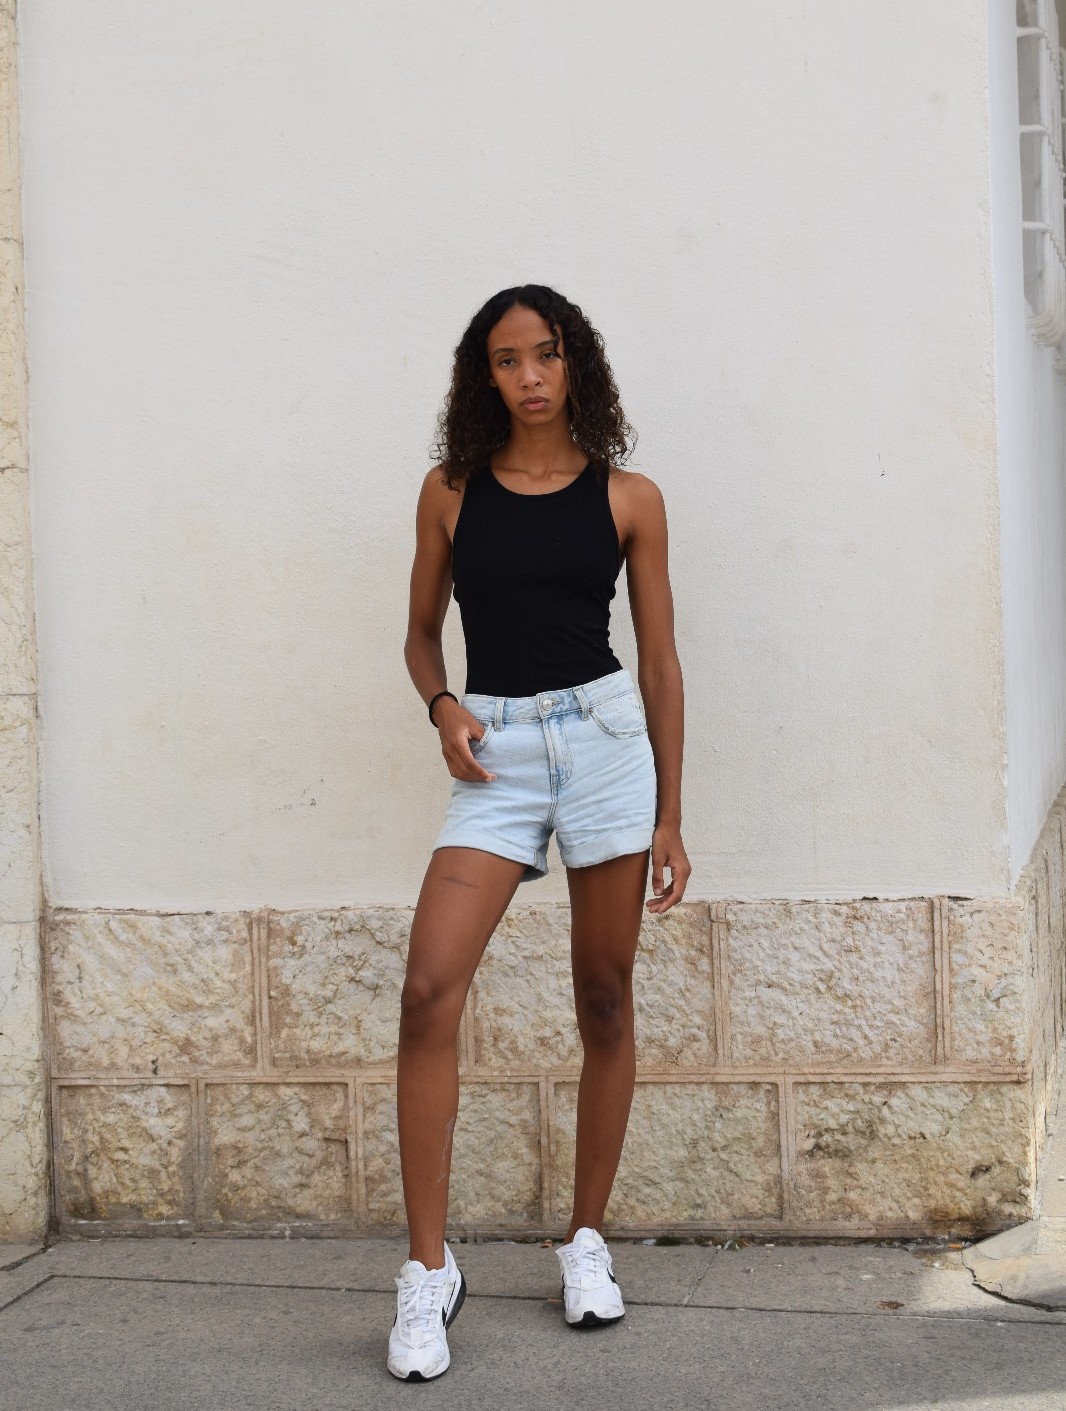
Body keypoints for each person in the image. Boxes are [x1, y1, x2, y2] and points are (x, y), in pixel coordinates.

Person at [391, 283, 690, 1381]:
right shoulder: (450, 492)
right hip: (499, 752)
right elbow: (420, 636)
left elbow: (658, 662)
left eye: (547, 354)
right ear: (485, 377)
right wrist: (443, 707)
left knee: (604, 995)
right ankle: (428, 1272)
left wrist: (669, 812)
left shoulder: (630, 498)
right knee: (428, 989)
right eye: (507, 359)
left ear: (577, 366)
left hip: (606, 742)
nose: (529, 376)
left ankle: (585, 1241)